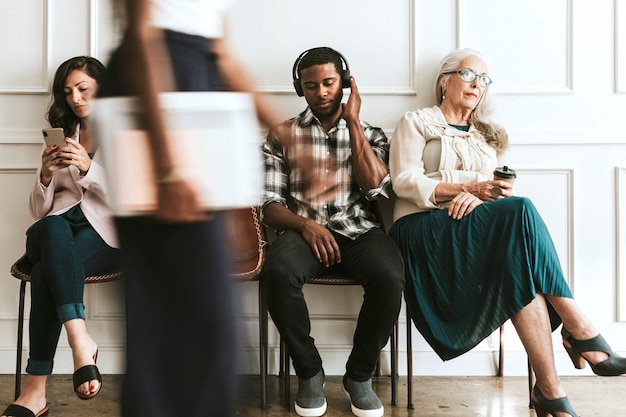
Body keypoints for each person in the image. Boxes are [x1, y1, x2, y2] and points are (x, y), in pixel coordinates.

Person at [389, 48, 626, 417]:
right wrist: (469, 188)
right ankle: (578, 328)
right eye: (469, 74)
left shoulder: (486, 138)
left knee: (520, 269)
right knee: (523, 209)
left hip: (470, 229)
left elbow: (491, 194)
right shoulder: (416, 122)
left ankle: (550, 390)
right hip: (421, 229)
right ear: (444, 80)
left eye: (483, 79)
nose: (476, 84)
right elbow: (403, 182)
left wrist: (483, 195)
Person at [98, 1, 281, 416]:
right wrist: (167, 169)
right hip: (154, 100)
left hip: (191, 101)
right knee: (183, 322)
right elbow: (141, 37)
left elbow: (222, 55)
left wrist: (286, 135)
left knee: (197, 323)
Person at [261, 46, 405, 417]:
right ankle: (309, 372)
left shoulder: (371, 134)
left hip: (359, 230)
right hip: (302, 232)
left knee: (390, 275)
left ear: (344, 83)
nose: (321, 92)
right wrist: (305, 225)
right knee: (277, 271)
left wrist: (353, 122)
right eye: (311, 86)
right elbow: (270, 206)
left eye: (328, 83)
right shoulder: (282, 135)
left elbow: (376, 189)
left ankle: (358, 376)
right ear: (300, 89)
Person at [1, 56, 120, 417]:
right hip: (54, 228)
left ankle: (35, 392)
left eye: (83, 89)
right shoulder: (64, 132)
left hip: (106, 234)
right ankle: (79, 338)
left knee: (43, 274)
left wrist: (89, 168)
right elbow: (39, 211)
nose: (75, 99)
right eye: (68, 92)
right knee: (51, 225)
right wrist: (47, 176)